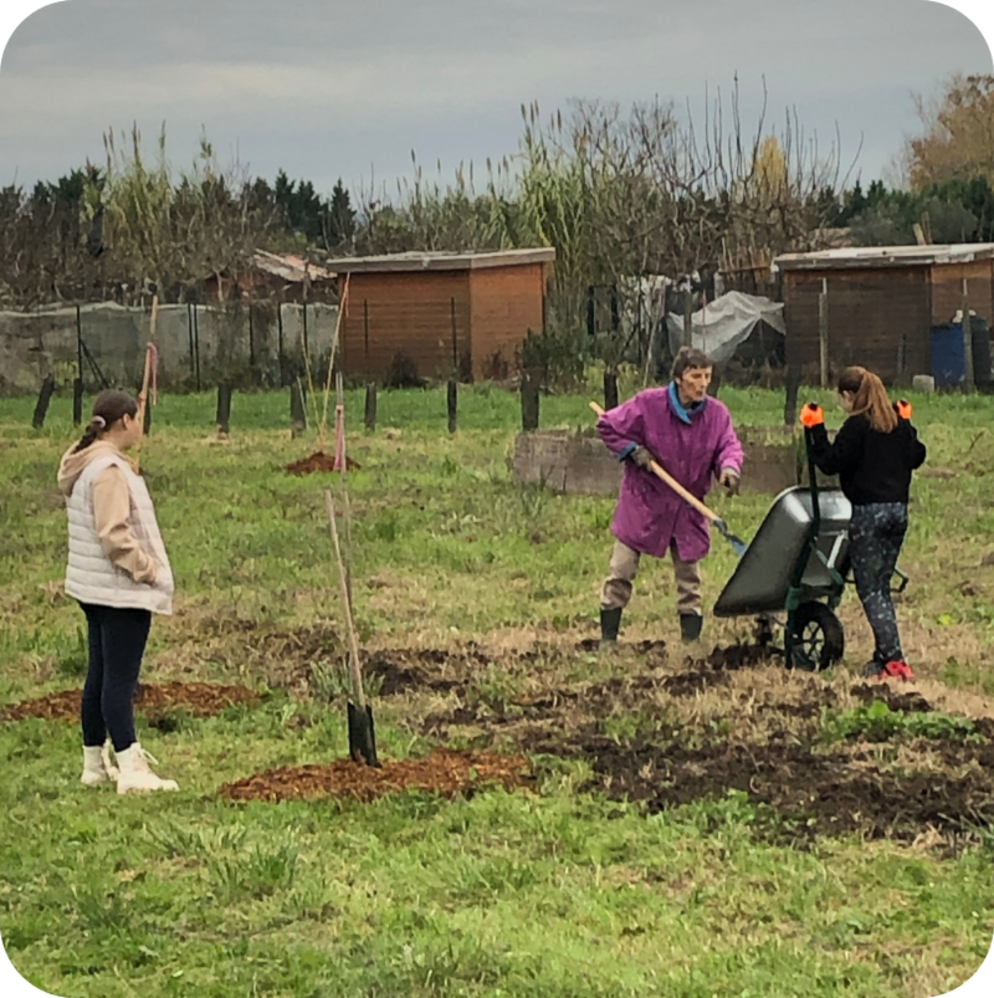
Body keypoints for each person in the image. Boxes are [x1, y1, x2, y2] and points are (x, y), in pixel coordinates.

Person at [57, 389, 179, 794]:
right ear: (125, 421)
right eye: (138, 418)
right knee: (119, 681)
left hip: (93, 587)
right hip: (118, 590)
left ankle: (94, 763)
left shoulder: (87, 462)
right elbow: (114, 535)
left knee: (99, 675)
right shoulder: (107, 470)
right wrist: (148, 569)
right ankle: (131, 766)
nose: (140, 426)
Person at [595, 347, 745, 647]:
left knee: (690, 579)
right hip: (644, 501)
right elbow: (608, 426)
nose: (702, 384)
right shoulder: (648, 404)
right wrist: (632, 450)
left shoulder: (717, 415)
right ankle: (608, 639)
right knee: (622, 569)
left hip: (688, 506)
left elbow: (728, 446)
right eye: (695, 376)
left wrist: (729, 469)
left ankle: (691, 643)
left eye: (707, 376)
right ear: (678, 378)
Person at [800, 365, 927, 682]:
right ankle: (882, 658)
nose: (841, 403)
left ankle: (894, 661)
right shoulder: (896, 423)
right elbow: (916, 456)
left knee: (870, 591)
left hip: (869, 515)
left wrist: (815, 429)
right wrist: (908, 423)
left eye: (841, 398)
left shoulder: (857, 426)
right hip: (898, 513)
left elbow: (830, 462)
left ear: (849, 395)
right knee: (881, 588)